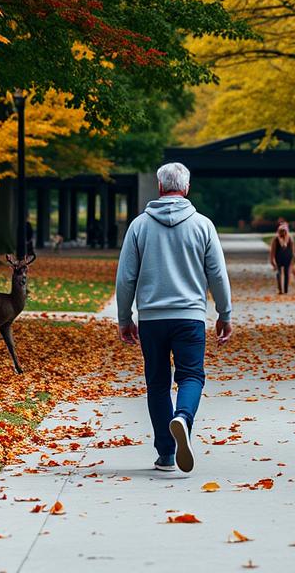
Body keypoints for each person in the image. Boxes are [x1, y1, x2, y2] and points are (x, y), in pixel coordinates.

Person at [116, 162, 233, 474]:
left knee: (157, 383)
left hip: (152, 318)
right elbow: (217, 275)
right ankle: (182, 417)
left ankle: (166, 454)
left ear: (159, 187)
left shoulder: (139, 226)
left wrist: (124, 317)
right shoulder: (203, 226)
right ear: (187, 188)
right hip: (190, 317)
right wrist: (225, 313)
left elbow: (126, 277)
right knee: (191, 377)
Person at [269, 222, 295, 294]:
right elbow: (292, 251)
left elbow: (272, 251)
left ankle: (282, 289)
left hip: (281, 257)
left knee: (281, 272)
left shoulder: (277, 239)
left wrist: (272, 261)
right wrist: (294, 259)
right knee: (284, 272)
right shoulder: (288, 238)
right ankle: (284, 290)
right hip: (286, 257)